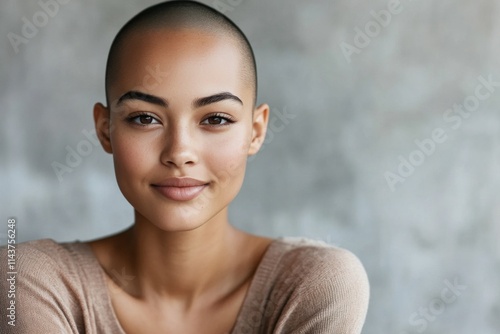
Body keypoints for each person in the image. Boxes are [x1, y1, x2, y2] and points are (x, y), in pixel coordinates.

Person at [0, 1, 369, 333]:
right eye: (145, 118)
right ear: (105, 129)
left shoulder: (315, 284)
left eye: (216, 119)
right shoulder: (29, 279)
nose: (179, 152)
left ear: (255, 132)